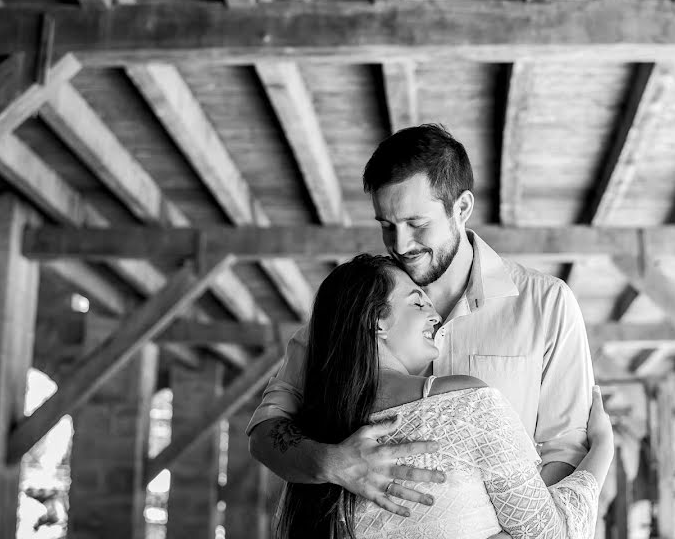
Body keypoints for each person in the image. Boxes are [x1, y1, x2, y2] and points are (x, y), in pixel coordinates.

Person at [248, 124, 595, 517]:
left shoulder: (547, 304)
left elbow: (565, 449)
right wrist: (330, 463)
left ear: (461, 208)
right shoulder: (356, 307)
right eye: (386, 225)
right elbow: (267, 430)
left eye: (417, 224)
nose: (400, 245)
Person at [277, 254, 614, 538]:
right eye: (417, 302)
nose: (435, 315)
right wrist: (602, 451)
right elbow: (548, 534)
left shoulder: (311, 433)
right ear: (379, 321)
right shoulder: (468, 401)